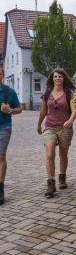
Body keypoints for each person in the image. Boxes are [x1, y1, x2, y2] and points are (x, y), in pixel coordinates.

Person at [37, 68, 76, 198]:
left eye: (60, 76)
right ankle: (51, 183)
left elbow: (74, 110)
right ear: (52, 79)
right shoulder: (47, 93)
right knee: (49, 154)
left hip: (65, 128)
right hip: (50, 127)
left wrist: (70, 120)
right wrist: (39, 124)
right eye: (55, 77)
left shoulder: (69, 94)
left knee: (63, 155)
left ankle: (62, 177)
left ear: (63, 78)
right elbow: (43, 111)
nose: (58, 79)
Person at [0, 67, 22, 205]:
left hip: (4, 127)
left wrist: (10, 110)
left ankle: (0, 188)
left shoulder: (9, 92)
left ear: (2, 75)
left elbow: (19, 109)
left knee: (1, 156)